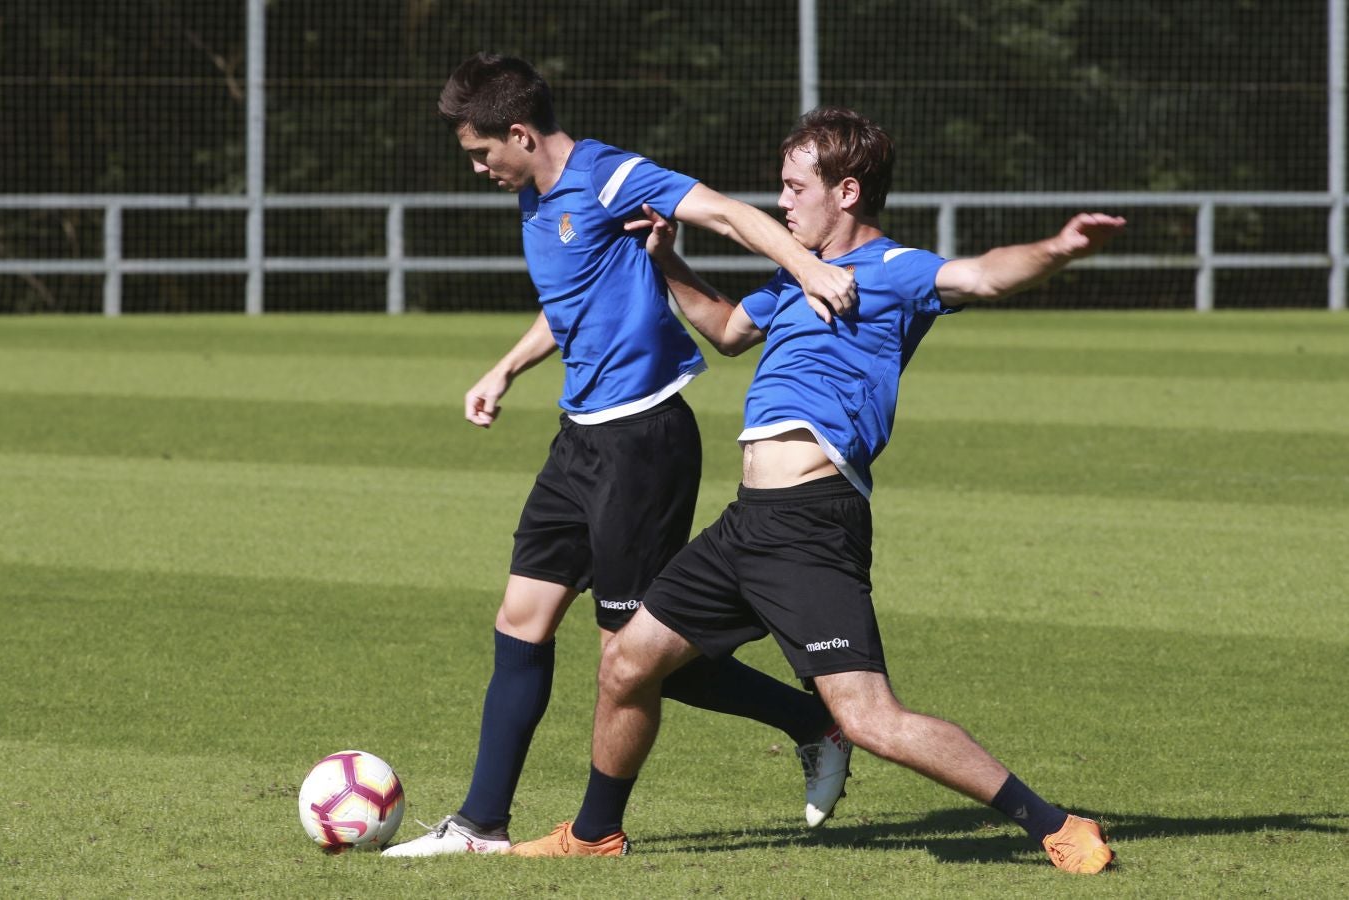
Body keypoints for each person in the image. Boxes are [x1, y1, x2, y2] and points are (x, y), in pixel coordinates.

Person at [506, 107, 1125, 875]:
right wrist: (667, 260)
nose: (782, 202)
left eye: (796, 188)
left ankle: (1056, 823)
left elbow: (982, 275)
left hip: (809, 526)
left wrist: (1061, 249)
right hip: (745, 525)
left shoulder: (892, 270)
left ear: (848, 191)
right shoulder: (796, 274)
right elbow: (728, 331)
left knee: (868, 718)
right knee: (626, 663)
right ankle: (595, 832)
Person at [383, 56, 860, 859]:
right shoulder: (536, 199)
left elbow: (725, 214)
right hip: (579, 440)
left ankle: (805, 724)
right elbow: (569, 302)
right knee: (520, 621)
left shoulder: (607, 175)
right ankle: (480, 826)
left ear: (520, 134)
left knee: (630, 653)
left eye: (481, 152)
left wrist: (809, 267)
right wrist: (505, 369)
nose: (478, 168)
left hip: (642, 443)